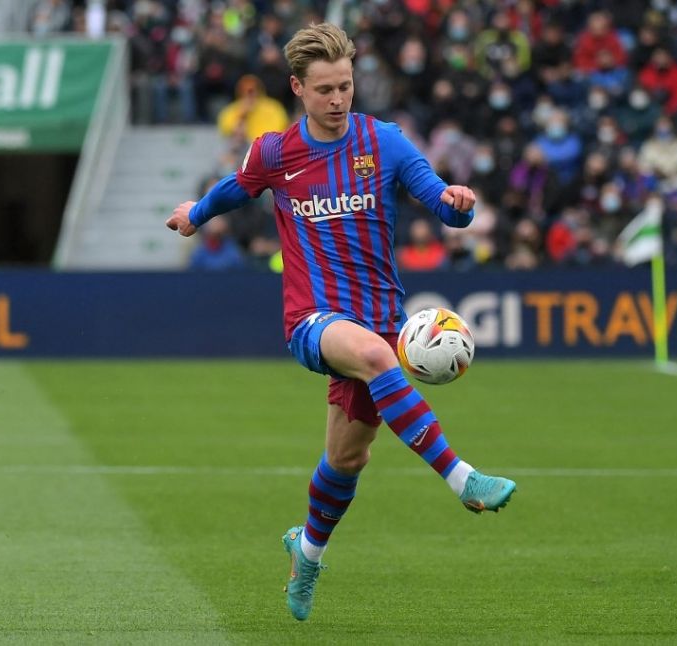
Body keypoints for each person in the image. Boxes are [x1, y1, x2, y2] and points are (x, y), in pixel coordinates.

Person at [164, 22, 516, 623]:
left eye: (346, 86)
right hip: (313, 319)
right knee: (382, 360)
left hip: (379, 320)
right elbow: (236, 188)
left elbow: (440, 204)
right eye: (324, 88)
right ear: (298, 87)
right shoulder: (276, 152)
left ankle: (305, 554)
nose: (337, 99)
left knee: (347, 459)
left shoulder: (386, 142)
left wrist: (460, 204)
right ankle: (464, 479)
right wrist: (194, 214)